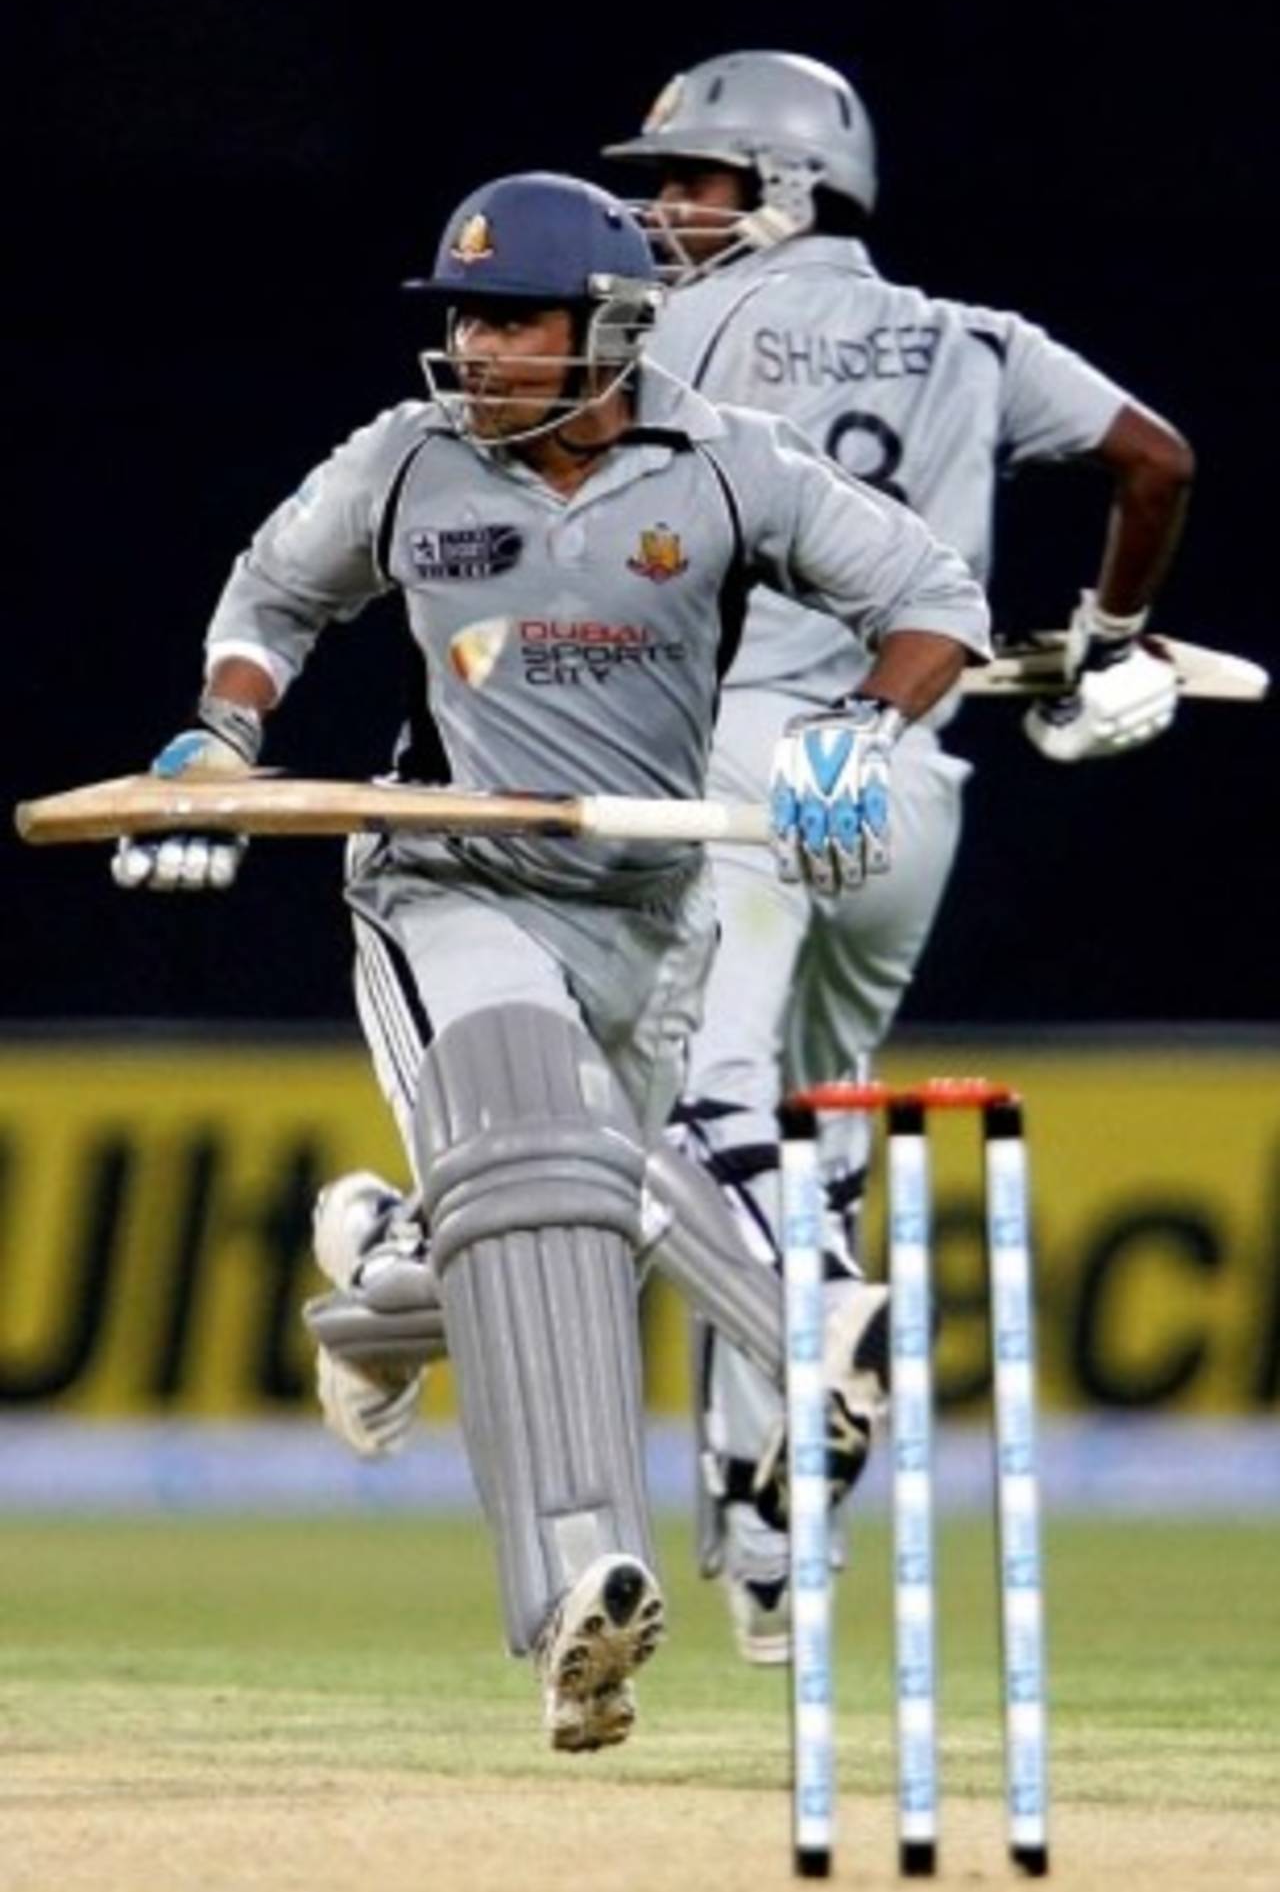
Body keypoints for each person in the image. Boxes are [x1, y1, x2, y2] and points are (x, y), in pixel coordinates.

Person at [109, 170, 992, 1748]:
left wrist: (861, 729)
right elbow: (272, 595)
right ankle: (586, 1585)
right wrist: (224, 732)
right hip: (445, 879)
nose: (476, 347)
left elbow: (933, 596)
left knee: (558, 1205)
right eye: (463, 316)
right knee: (552, 1140)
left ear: (612, 328)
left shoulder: (725, 469)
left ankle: (385, 1279)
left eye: (512, 318)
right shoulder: (407, 459)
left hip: (646, 911)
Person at [601, 50, 1195, 1664]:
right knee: (818, 1113)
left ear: (781, 188)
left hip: (749, 757)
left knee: (702, 1119)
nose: (668, 210)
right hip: (906, 773)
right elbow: (1158, 460)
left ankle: (822, 1336)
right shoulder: (973, 336)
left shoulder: (683, 327)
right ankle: (765, 1517)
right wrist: (1109, 635)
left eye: (696, 182)